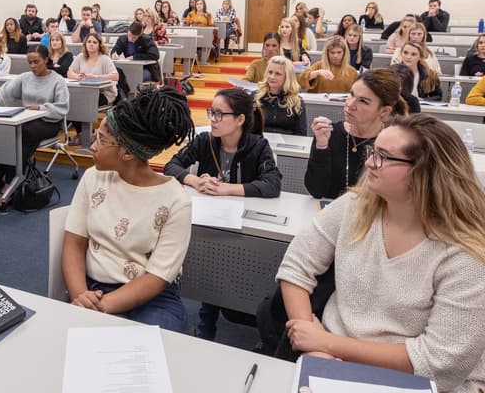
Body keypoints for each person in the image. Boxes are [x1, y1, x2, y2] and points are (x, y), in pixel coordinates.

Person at [278, 114, 485, 393]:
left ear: (423, 171)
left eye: (383, 157)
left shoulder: (464, 254)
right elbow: (296, 266)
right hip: (328, 361)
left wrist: (326, 344)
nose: (369, 163)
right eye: (373, 152)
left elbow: (437, 362)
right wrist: (312, 344)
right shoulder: (356, 205)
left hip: (416, 383)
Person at [62, 88, 195, 333]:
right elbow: (74, 243)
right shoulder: (93, 178)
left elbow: (156, 278)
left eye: (101, 140)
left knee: (149, 349)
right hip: (93, 286)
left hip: (152, 296)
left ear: (126, 153)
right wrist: (82, 296)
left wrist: (99, 307)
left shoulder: (176, 201)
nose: (92, 145)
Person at [164, 88, 281, 340]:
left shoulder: (258, 145)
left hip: (243, 221)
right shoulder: (204, 140)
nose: (212, 119)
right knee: (209, 259)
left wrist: (227, 188)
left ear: (240, 119)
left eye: (219, 114)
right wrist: (195, 181)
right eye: (211, 112)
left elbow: (272, 185)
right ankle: (207, 321)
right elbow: (170, 166)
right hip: (211, 219)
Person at [0, 46, 69, 211]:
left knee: (22, 134)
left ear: (46, 60)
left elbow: (62, 108)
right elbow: (4, 92)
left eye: (36, 62)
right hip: (27, 119)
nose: (33, 66)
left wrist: (41, 108)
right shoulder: (25, 77)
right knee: (2, 131)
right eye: (30, 62)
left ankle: (9, 185)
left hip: (49, 121)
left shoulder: (58, 81)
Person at [305, 69, 407, 200]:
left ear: (384, 111)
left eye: (363, 101)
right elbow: (316, 190)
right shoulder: (330, 133)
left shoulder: (392, 145)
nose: (350, 104)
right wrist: (321, 147)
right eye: (351, 94)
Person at [69, 32, 119, 144]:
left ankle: (86, 135)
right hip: (85, 92)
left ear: (99, 45)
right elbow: (69, 72)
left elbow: (115, 76)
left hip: (104, 94)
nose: (91, 44)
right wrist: (78, 76)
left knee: (82, 104)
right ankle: (84, 134)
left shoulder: (105, 59)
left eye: (94, 42)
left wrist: (96, 77)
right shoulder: (80, 57)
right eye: (89, 42)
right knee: (71, 103)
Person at [255, 56, 306, 136]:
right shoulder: (256, 97)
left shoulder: (297, 101)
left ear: (287, 77)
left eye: (278, 74)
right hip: (260, 144)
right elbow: (249, 129)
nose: (272, 77)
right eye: (270, 72)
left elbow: (301, 133)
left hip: (287, 145)